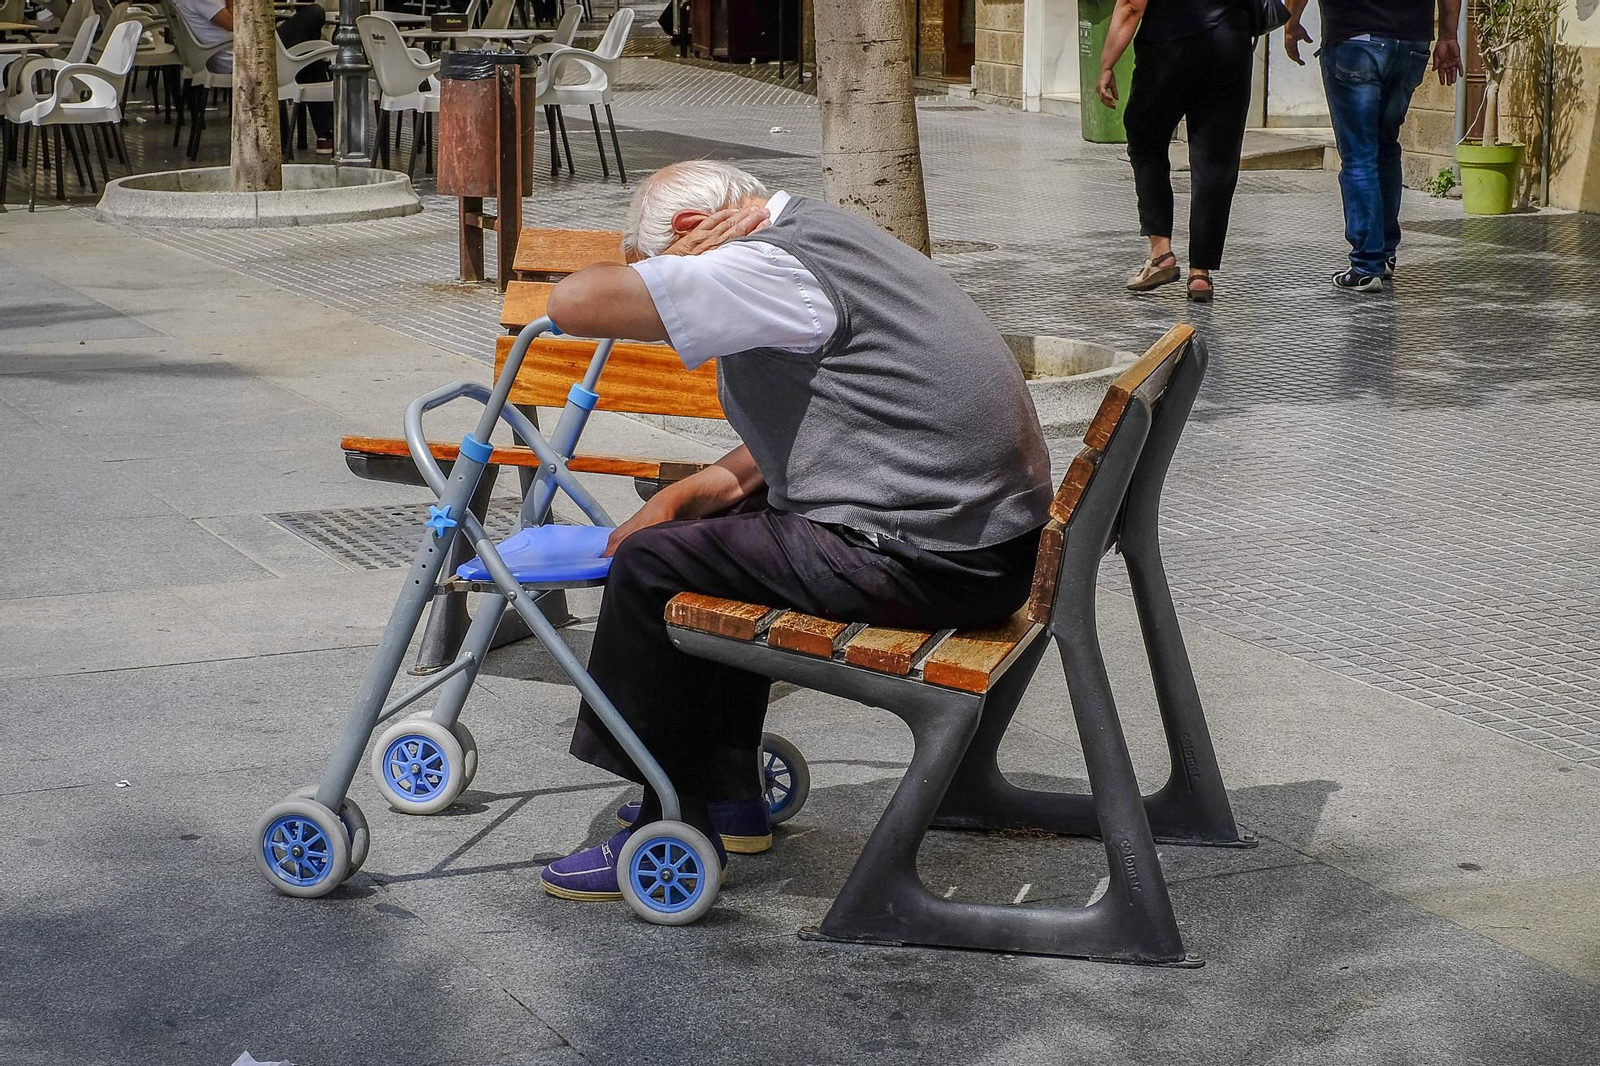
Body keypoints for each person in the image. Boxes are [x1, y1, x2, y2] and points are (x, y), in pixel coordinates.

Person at [536, 161, 1054, 902]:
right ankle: (729, 791)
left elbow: (574, 301)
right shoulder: (815, 228)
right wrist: (715, 482)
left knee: (652, 566)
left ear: (689, 232)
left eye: (655, 266)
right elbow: (851, 404)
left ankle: (671, 813)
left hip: (928, 558)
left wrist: (675, 269)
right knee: (720, 530)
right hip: (971, 539)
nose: (662, 286)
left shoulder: (759, 263)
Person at [1284, 0, 1462, 292]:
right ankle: (1385, 254)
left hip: (1354, 40)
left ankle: (1366, 265)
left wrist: (1291, 22)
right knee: (1385, 146)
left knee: (1359, 155)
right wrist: (1448, 35)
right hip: (1410, 44)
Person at [1098, 0, 1256, 303]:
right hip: (1230, 44)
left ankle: (1161, 253)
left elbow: (1132, 5)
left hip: (1168, 47)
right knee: (1216, 160)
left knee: (1146, 138)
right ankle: (1200, 273)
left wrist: (1107, 64)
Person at [170, 0, 334, 152]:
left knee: (309, 54)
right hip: (244, 55)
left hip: (235, 51)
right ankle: (325, 133)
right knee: (314, 13)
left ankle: (325, 135)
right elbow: (234, 23)